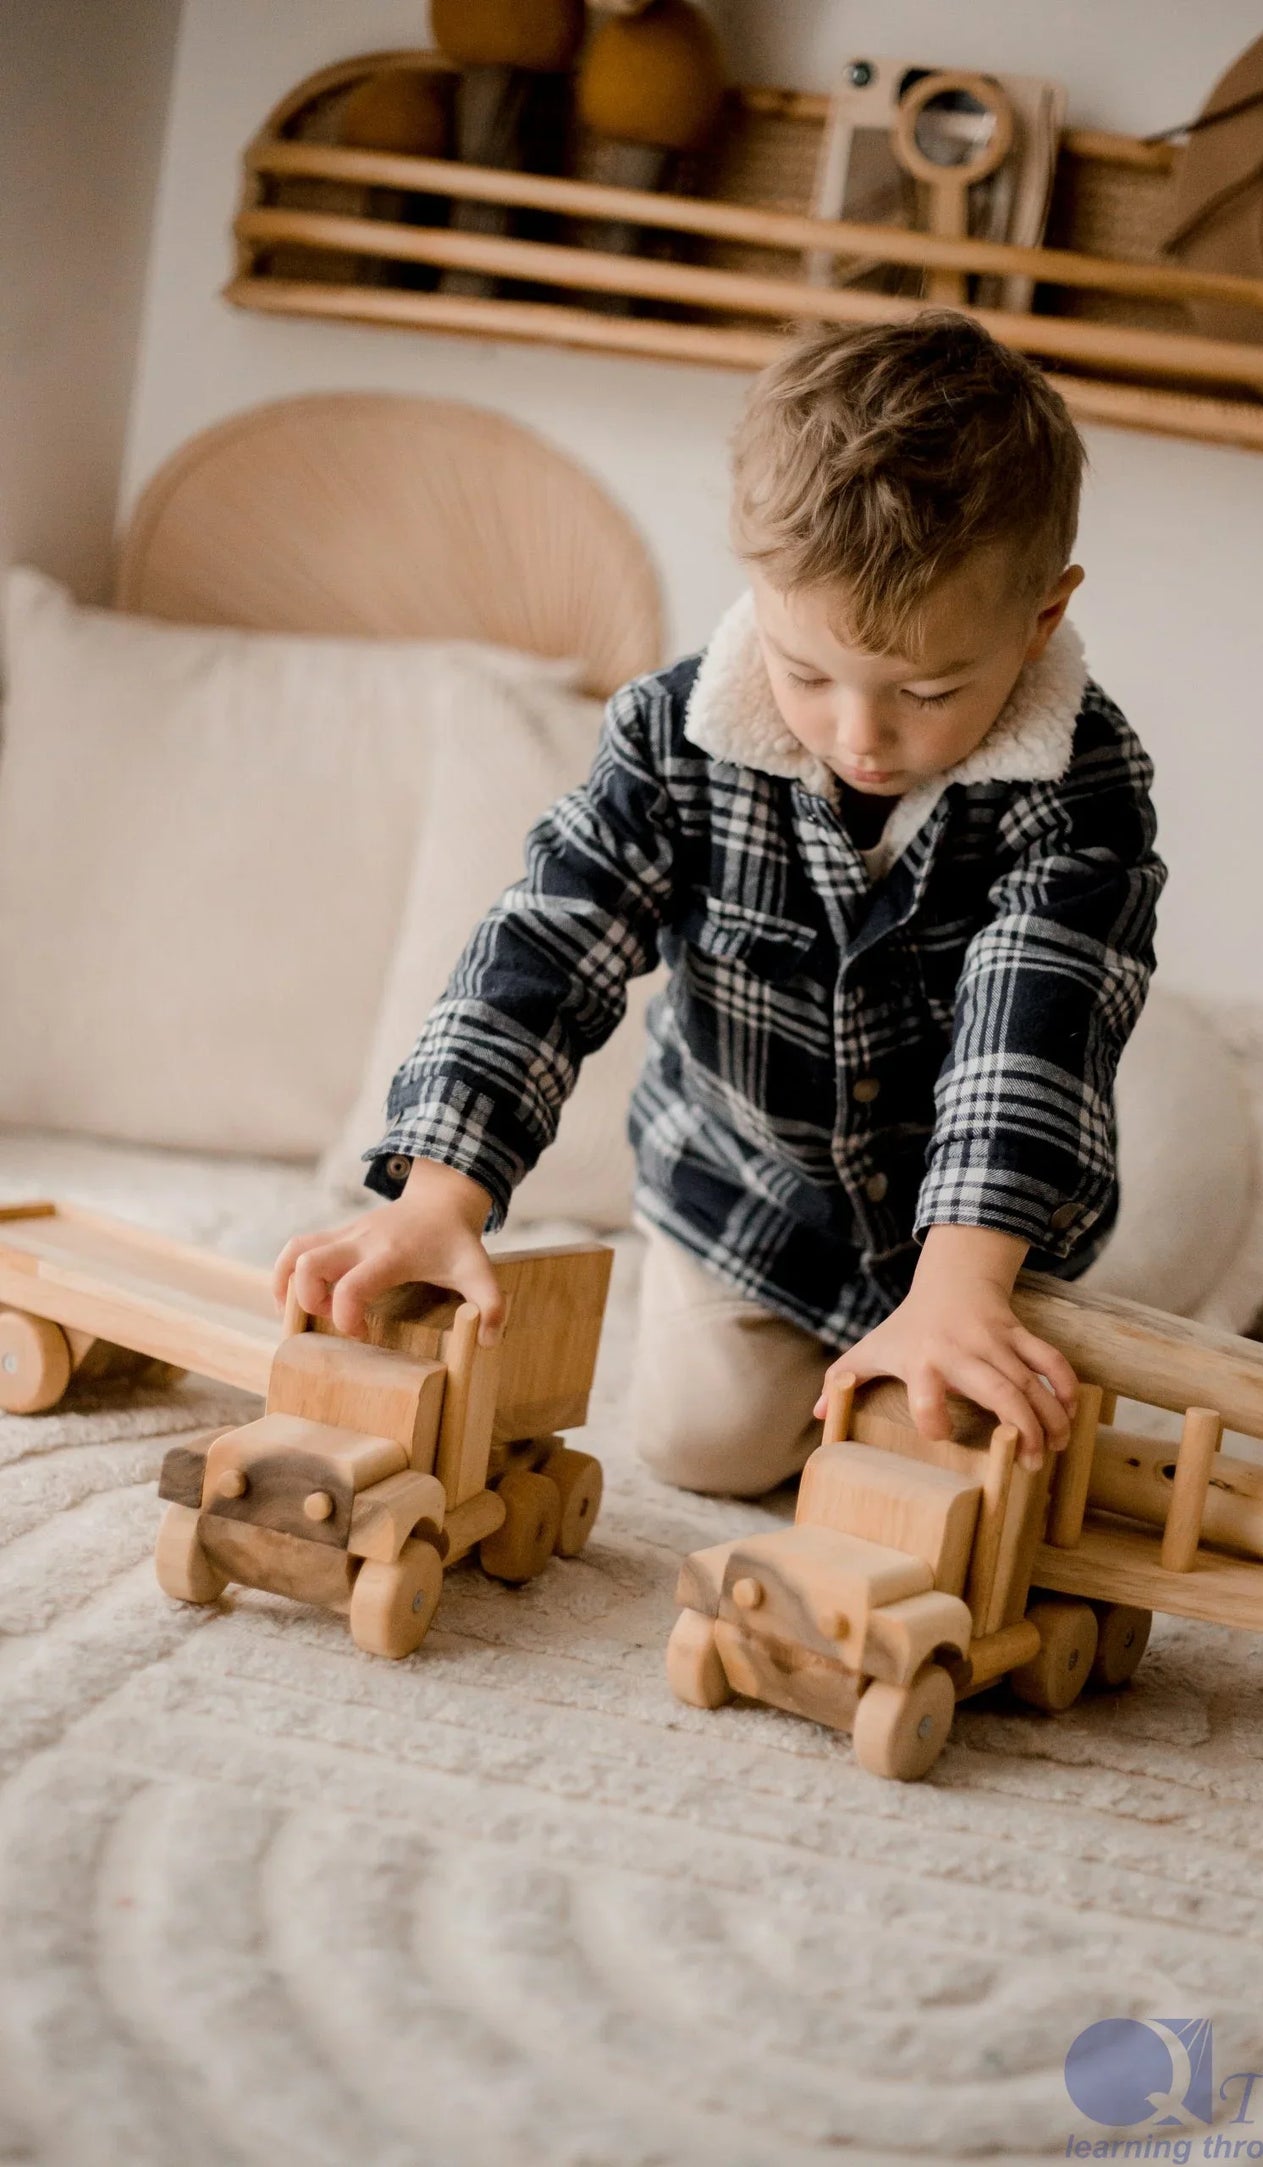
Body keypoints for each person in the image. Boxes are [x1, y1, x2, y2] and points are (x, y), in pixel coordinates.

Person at [272, 312, 1166, 1493]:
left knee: (969, 1467)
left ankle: (934, 1343)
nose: (860, 735)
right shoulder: (671, 736)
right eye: (807, 674)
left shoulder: (1081, 783)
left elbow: (1026, 1034)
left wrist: (959, 1290)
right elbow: (550, 944)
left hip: (984, 1228)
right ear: (758, 591)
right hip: (746, 1192)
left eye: (928, 689)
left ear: (1039, 617)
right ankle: (835, 1376)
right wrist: (441, 1191)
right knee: (704, 1450)